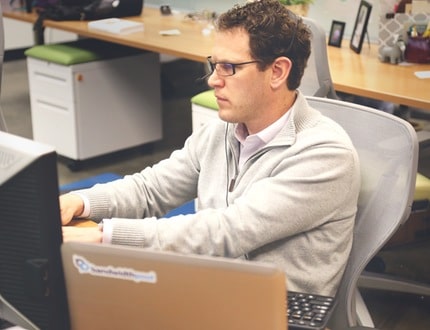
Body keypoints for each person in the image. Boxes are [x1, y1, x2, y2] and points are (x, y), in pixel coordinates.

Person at [61, 0, 360, 297]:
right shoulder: (224, 130)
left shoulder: (325, 153)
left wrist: (104, 236)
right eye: (214, 65)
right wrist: (79, 201)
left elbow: (228, 231)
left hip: (276, 307)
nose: (213, 80)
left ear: (278, 71)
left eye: (229, 67)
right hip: (212, 282)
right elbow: (151, 189)